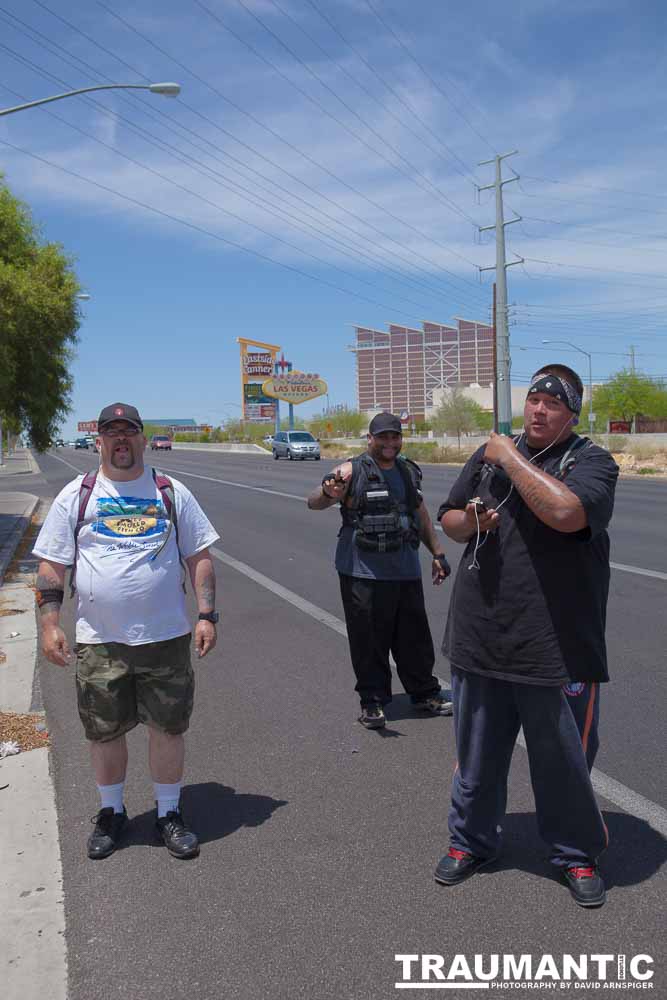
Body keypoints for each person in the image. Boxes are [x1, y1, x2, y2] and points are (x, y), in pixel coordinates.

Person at [434, 364, 619, 908]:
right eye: (533, 399)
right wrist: (473, 522)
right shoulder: (491, 454)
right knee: (476, 757)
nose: (537, 409)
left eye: (552, 403)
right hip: (480, 635)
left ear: (572, 414)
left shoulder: (591, 462)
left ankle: (576, 853)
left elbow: (567, 513)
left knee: (563, 761)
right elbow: (448, 518)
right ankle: (471, 842)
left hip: (557, 645)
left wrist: (508, 459)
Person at [33, 403, 220, 861]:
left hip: (166, 638)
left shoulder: (171, 492)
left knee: (168, 729)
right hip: (100, 641)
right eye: (111, 433)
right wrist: (50, 623)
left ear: (141, 438)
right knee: (104, 732)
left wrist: (206, 615)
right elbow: (52, 565)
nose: (121, 440)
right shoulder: (77, 495)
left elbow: (199, 557)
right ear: (99, 441)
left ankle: (169, 813)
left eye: (129, 432)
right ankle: (112, 812)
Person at [307, 411, 452, 730]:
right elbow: (314, 502)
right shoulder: (350, 470)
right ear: (369, 439)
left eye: (395, 437)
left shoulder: (407, 471)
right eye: (382, 437)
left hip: (405, 569)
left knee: (414, 638)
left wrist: (438, 553)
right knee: (368, 639)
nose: (389, 443)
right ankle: (372, 701)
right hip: (362, 572)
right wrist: (328, 492)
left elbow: (420, 514)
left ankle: (424, 693)